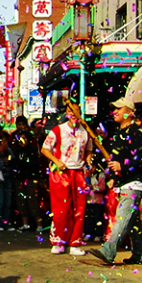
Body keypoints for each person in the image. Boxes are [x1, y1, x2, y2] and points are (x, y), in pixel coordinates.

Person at [89, 98, 142, 266]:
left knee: (123, 217)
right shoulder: (117, 133)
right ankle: (140, 253)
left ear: (129, 112)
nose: (114, 112)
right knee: (133, 220)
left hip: (135, 181)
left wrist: (123, 165)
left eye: (118, 108)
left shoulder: (137, 132)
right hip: (122, 182)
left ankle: (109, 249)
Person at [40, 103, 93, 256]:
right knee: (61, 208)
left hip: (79, 173)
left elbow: (89, 149)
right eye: (71, 111)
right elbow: (45, 149)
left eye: (77, 111)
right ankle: (58, 241)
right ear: (67, 113)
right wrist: (57, 161)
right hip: (61, 173)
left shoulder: (86, 131)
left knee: (79, 208)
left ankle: (75, 242)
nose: (74, 114)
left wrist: (88, 160)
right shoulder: (59, 129)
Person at [11, 116, 44, 233]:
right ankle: (25, 224)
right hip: (20, 179)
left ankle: (38, 224)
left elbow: (34, 165)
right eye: (21, 138)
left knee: (32, 202)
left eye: (24, 138)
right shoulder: (17, 151)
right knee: (21, 201)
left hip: (30, 179)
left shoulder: (32, 151)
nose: (21, 140)